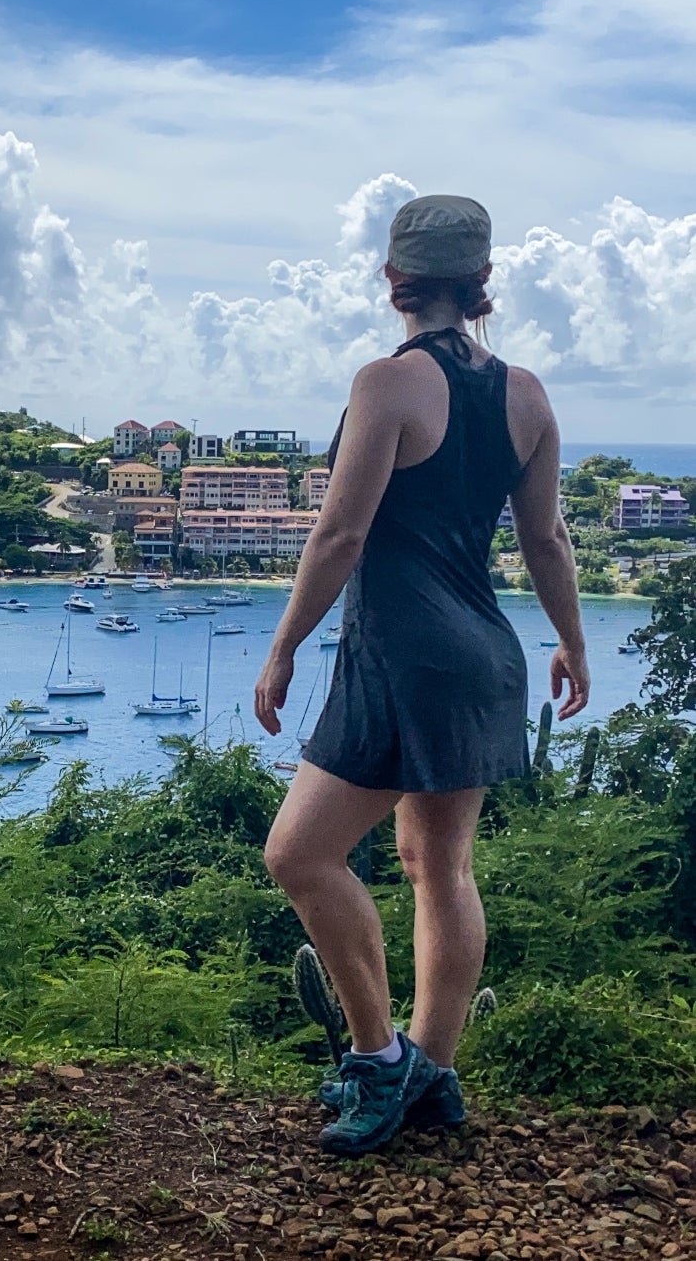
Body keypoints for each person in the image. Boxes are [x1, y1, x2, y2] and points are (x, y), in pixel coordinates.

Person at [253, 194, 589, 1156]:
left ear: (393, 280)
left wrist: (281, 646)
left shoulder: (387, 384)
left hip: (404, 656)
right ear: (481, 285)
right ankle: (435, 1077)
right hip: (489, 654)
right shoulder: (526, 395)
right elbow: (548, 538)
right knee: (438, 865)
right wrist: (572, 641)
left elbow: (342, 533)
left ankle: (381, 1057)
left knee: (300, 855)